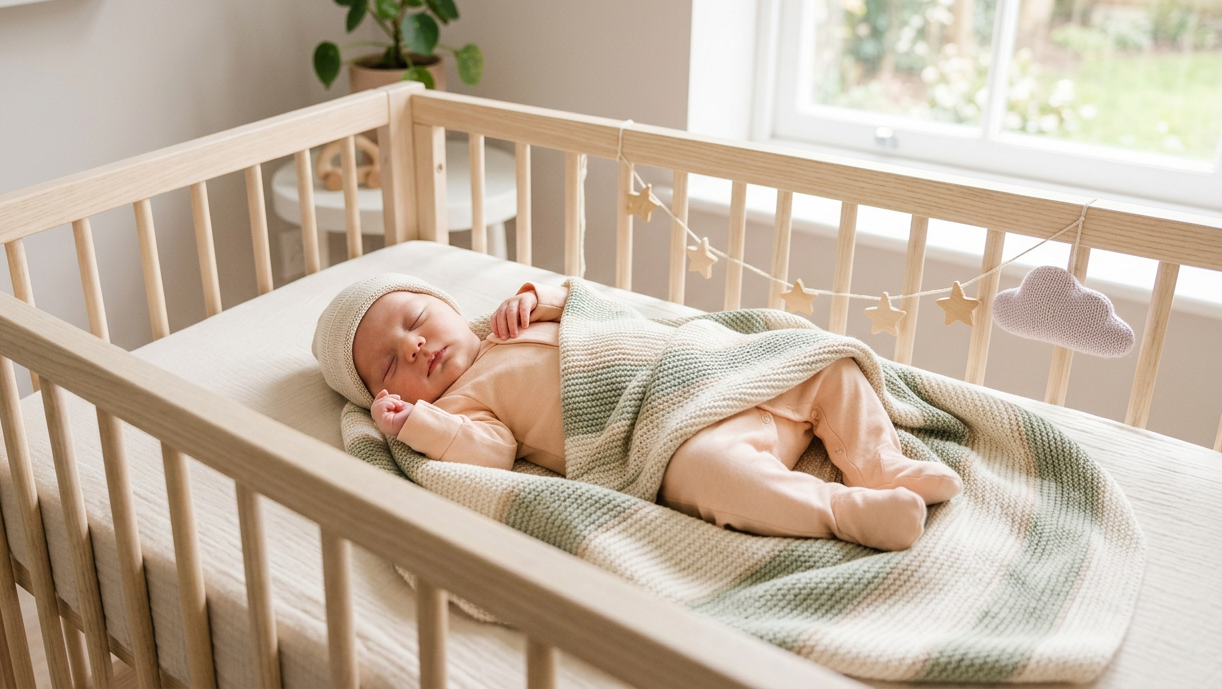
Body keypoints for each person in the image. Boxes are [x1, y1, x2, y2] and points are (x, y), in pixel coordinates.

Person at [313, 274, 962, 551]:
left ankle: (878, 463)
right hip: (658, 436)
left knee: (821, 360)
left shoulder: (510, 325)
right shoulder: (461, 405)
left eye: (416, 320)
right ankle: (844, 512)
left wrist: (543, 296)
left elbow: (594, 307)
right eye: (391, 364)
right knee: (713, 476)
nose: (415, 345)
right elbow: (489, 455)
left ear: (450, 307)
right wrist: (416, 426)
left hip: (699, 371)